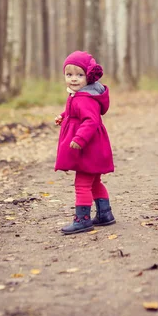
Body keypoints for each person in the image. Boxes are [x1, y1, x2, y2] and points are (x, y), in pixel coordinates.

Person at [55, 50, 115, 235]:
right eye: (69, 74)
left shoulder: (85, 98)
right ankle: (105, 214)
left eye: (79, 75)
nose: (73, 79)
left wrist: (79, 139)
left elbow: (91, 120)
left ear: (88, 76)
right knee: (94, 181)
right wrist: (64, 116)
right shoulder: (79, 95)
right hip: (93, 145)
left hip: (87, 146)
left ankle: (83, 220)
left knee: (82, 183)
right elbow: (76, 112)